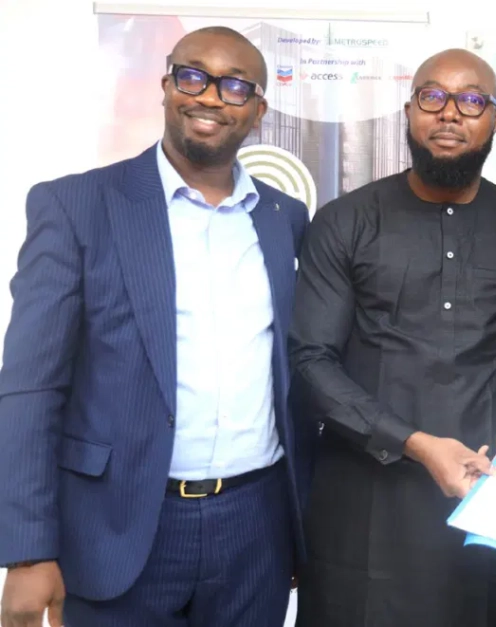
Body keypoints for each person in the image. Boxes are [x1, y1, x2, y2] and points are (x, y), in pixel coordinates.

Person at [0, 26, 312, 627]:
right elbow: (31, 387)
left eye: (235, 86)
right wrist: (27, 550)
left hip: (256, 527)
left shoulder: (285, 217)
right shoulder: (77, 206)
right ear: (167, 86)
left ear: (259, 110)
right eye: (193, 77)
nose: (210, 97)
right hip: (119, 526)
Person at [288, 48, 496, 627]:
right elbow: (311, 362)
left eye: (471, 101)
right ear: (409, 111)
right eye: (432, 97)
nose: (449, 113)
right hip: (360, 514)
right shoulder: (345, 222)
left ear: (495, 120)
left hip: (482, 517)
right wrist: (413, 442)